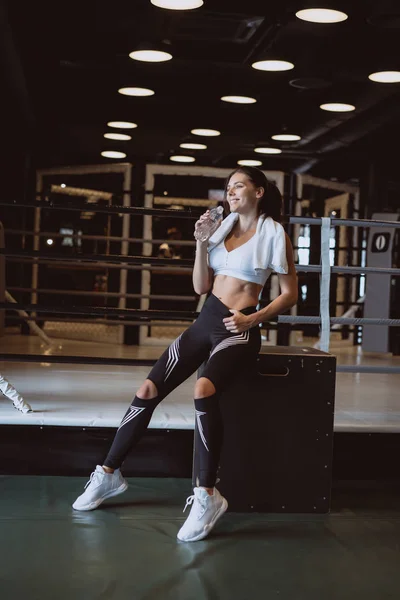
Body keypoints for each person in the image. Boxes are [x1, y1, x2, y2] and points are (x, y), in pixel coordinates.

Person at [72, 166, 298, 542]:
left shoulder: (274, 233)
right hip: (203, 322)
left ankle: (207, 496)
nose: (231, 192)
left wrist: (252, 319)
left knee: (203, 389)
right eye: (228, 188)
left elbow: (289, 293)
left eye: (238, 186)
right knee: (147, 389)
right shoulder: (222, 227)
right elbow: (200, 287)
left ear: (259, 192)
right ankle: (108, 474)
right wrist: (200, 242)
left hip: (236, 330)